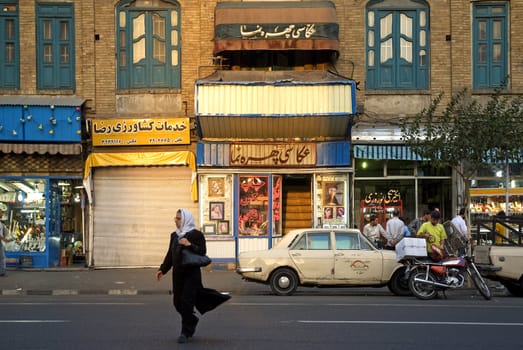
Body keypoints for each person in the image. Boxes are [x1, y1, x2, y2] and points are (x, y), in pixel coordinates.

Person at [156, 209, 230, 344]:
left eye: (178, 218)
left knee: (186, 302)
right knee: (177, 302)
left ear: (185, 219)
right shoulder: (174, 235)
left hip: (191, 275)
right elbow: (170, 255)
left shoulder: (196, 235)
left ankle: (185, 331)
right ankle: (192, 319)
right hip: (178, 275)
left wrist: (189, 244)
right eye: (175, 218)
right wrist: (163, 269)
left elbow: (202, 251)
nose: (176, 221)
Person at [0, 203, 12, 277]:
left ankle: (2, 271)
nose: (2, 214)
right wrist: (4, 239)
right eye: (1, 213)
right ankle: (2, 271)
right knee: (2, 257)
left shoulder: (1, 223)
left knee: (2, 257)